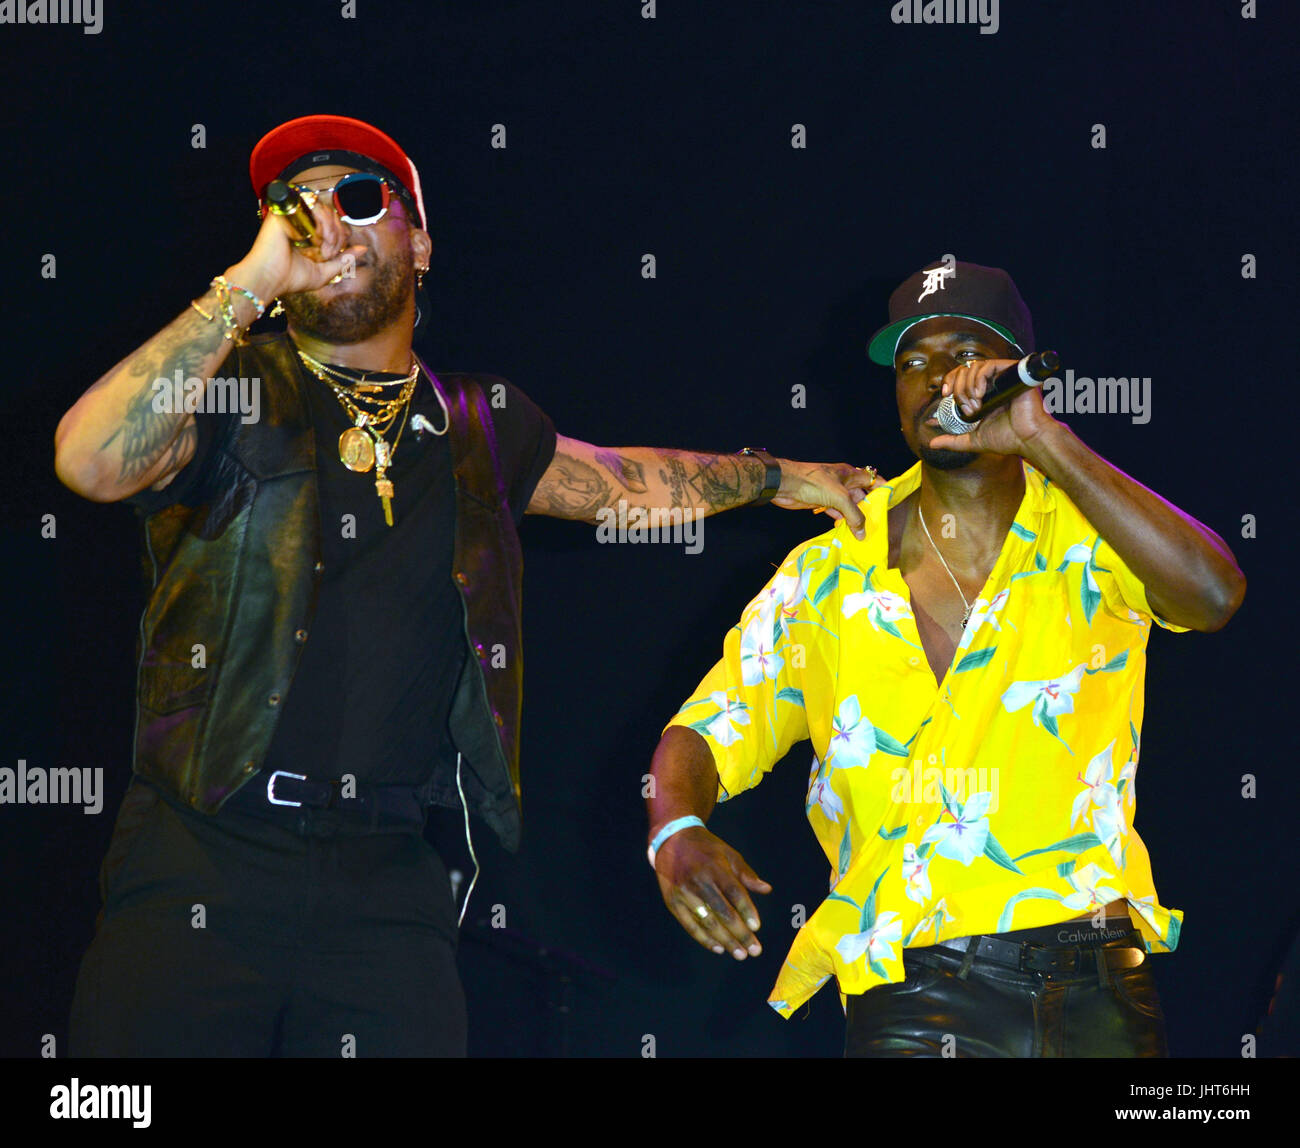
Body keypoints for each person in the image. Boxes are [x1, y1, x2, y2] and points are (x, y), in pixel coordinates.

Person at [52, 114, 879, 1058]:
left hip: (388, 876)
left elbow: (620, 483)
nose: (326, 220)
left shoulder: (483, 426)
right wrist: (249, 285)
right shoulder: (232, 388)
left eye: (359, 199)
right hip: (201, 852)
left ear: (421, 240)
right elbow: (89, 460)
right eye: (297, 205)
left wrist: (783, 477)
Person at [646, 260, 1246, 1058]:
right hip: (917, 997)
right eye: (913, 363)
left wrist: (1044, 440)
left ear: (1013, 374)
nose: (935, 378)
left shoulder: (1094, 531)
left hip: (1101, 982)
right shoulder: (826, 574)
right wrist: (676, 828)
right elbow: (704, 731)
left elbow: (1213, 596)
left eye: (963, 353)